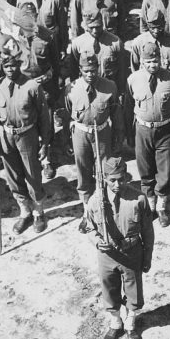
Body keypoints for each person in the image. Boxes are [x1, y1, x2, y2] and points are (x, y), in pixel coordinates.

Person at [85, 156, 155, 339]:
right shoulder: (95, 201)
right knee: (109, 289)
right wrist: (99, 243)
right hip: (107, 255)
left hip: (132, 253)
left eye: (121, 178)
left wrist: (147, 256)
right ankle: (116, 322)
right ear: (104, 179)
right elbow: (89, 228)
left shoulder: (138, 199)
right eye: (112, 180)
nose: (117, 184)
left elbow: (148, 231)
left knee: (134, 291)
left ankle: (131, 324)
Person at [0, 46, 52, 235]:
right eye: (6, 67)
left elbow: (44, 118)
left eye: (14, 66)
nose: (11, 70)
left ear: (19, 65)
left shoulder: (32, 86)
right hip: (5, 138)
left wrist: (45, 143)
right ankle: (25, 212)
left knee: (33, 176)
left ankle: (39, 212)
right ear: (1, 67)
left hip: (27, 136)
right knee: (13, 177)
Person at [126, 43, 170, 227]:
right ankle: (149, 204)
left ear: (161, 59)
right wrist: (129, 133)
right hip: (142, 130)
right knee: (145, 169)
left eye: (156, 60)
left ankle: (161, 206)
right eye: (149, 61)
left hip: (165, 131)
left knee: (165, 170)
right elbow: (128, 108)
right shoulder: (133, 79)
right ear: (142, 62)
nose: (153, 65)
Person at [64, 54, 124, 233]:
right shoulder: (71, 89)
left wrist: (118, 139)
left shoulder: (109, 86)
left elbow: (116, 115)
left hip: (102, 132)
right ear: (80, 70)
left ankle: (104, 207)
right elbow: (68, 113)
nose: (90, 74)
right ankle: (87, 212)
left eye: (93, 70)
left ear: (98, 68)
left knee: (103, 170)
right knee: (83, 171)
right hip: (81, 133)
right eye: (86, 71)